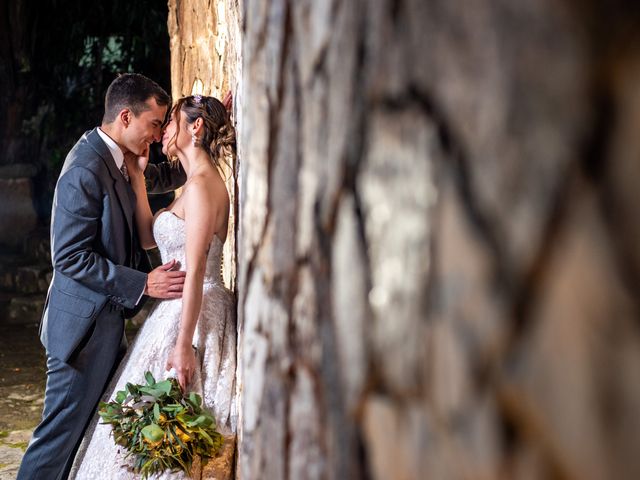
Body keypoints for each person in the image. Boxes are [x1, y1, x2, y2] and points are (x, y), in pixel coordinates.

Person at [17, 73, 188, 480]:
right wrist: (143, 283)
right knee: (55, 444)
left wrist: (208, 132)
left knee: (86, 443)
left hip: (107, 325)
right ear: (126, 116)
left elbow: (162, 179)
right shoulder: (84, 168)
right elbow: (71, 257)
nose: (158, 133)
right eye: (155, 124)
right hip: (80, 335)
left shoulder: (122, 156)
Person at [70, 94, 237, 479]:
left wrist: (183, 347)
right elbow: (150, 238)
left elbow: (195, 271)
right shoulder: (193, 184)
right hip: (174, 307)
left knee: (169, 434)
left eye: (171, 121)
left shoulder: (203, 187)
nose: (163, 131)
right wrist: (140, 179)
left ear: (195, 128)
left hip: (195, 309)